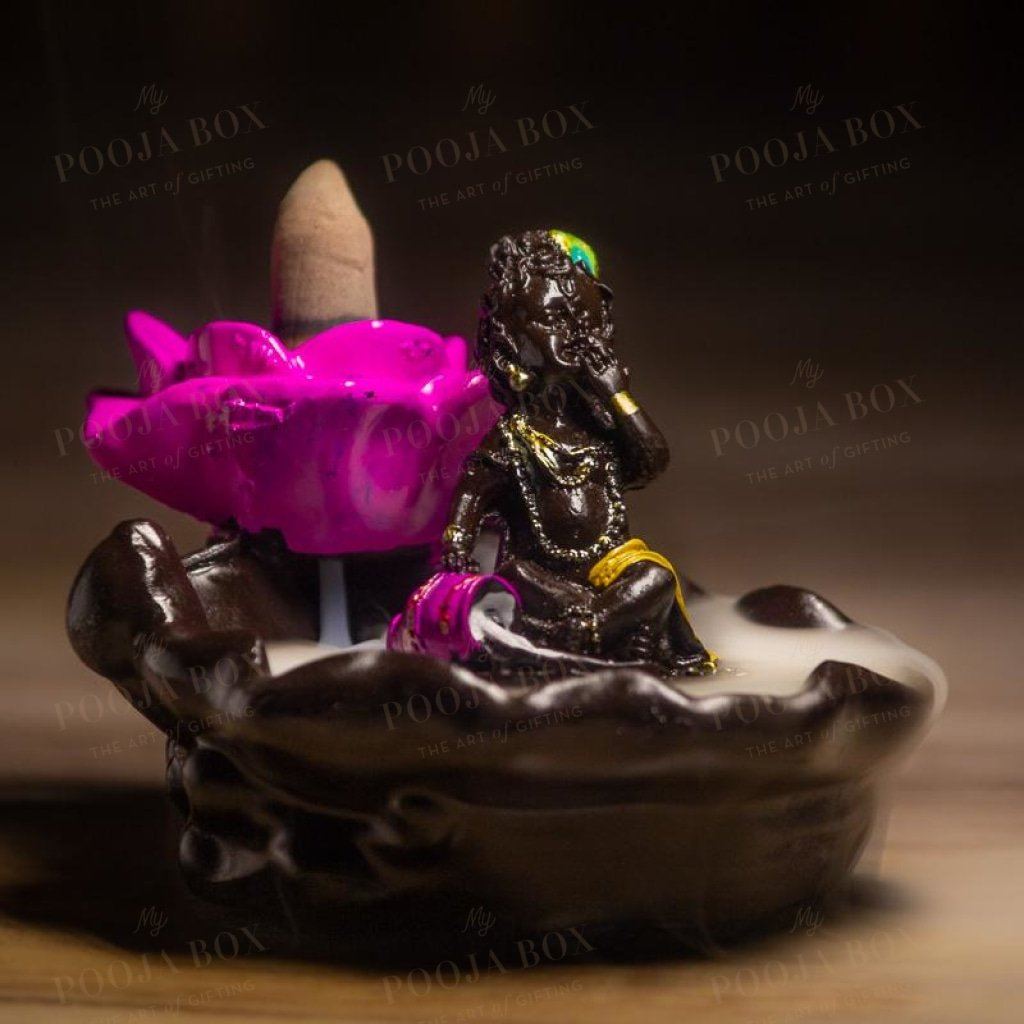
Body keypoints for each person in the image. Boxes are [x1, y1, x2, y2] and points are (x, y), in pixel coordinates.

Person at [440, 230, 714, 675]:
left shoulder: (600, 426)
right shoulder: (513, 439)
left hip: (612, 572)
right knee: (513, 575)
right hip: (545, 581)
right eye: (554, 320)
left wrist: (616, 396)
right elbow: (473, 490)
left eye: (583, 321)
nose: (574, 333)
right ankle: (600, 633)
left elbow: (652, 461)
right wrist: (457, 542)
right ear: (511, 340)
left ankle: (592, 629)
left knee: (656, 576)